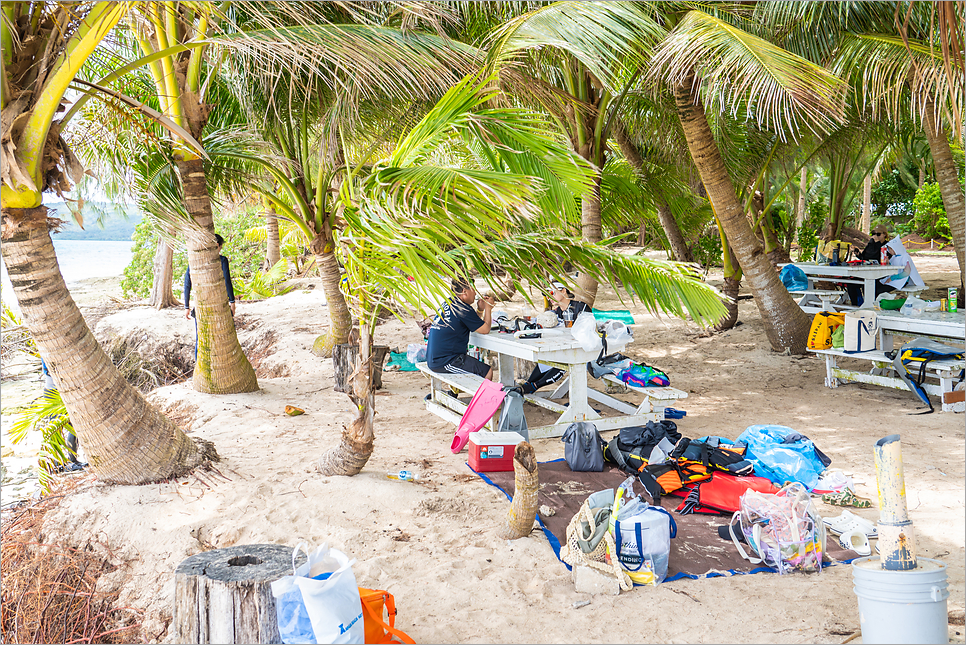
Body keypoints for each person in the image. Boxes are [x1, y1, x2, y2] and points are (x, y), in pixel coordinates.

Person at [519, 281, 591, 394]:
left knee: (564, 360)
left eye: (552, 293)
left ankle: (533, 386)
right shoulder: (554, 313)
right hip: (562, 347)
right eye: (547, 294)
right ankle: (528, 384)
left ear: (563, 291)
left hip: (580, 350)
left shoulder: (581, 307)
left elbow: (588, 332)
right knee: (546, 359)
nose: (549, 297)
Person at [426, 277, 495, 380]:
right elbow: (485, 329)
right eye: (473, 289)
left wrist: (480, 310)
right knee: (487, 372)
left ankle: (456, 394)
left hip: (436, 358)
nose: (475, 293)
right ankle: (481, 396)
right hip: (445, 361)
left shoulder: (450, 303)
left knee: (473, 366)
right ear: (464, 291)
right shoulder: (463, 309)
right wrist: (488, 308)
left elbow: (473, 324)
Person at [184, 234, 236, 358]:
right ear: (217, 246)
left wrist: (186, 306)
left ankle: (199, 367)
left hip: (201, 306)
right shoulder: (222, 260)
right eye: (221, 247)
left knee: (201, 339)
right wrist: (232, 301)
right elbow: (227, 281)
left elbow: (187, 284)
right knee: (223, 336)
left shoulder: (195, 260)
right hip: (218, 305)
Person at [846, 225, 893, 306]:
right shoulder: (871, 244)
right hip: (865, 270)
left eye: (878, 234)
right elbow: (865, 257)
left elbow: (884, 256)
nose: (875, 236)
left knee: (869, 284)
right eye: (873, 234)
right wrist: (858, 254)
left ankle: (870, 305)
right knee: (851, 283)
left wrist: (878, 242)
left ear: (884, 235)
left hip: (880, 273)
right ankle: (855, 305)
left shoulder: (888, 245)